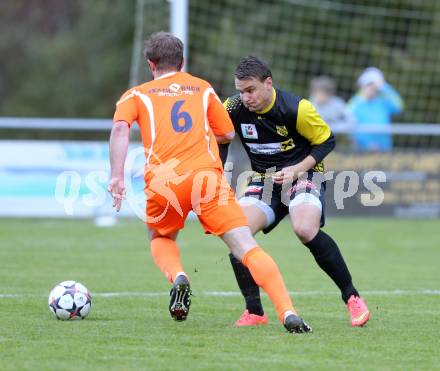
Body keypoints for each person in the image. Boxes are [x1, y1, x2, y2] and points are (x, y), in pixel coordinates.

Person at [108, 32, 311, 333]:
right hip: (207, 178)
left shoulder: (136, 95)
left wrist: (117, 175)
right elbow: (227, 134)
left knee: (161, 237)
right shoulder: (202, 89)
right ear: (183, 61)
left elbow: (120, 130)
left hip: (167, 182)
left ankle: (179, 276)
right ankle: (287, 312)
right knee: (246, 247)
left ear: (151, 64)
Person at [222, 56, 370, 327]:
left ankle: (352, 297)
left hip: (303, 173)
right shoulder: (231, 107)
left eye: (251, 90)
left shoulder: (296, 107)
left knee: (304, 229)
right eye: (241, 91)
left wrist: (297, 169)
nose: (245, 97)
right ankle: (255, 312)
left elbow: (327, 140)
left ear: (268, 83)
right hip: (265, 180)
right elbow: (220, 137)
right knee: (236, 235)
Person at [349, 67, 404, 152]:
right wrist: (367, 144)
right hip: (361, 151)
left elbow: (399, 106)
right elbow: (349, 128)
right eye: (368, 84)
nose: (371, 88)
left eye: (374, 86)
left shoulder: (383, 102)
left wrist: (384, 87)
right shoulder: (355, 104)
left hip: (384, 149)